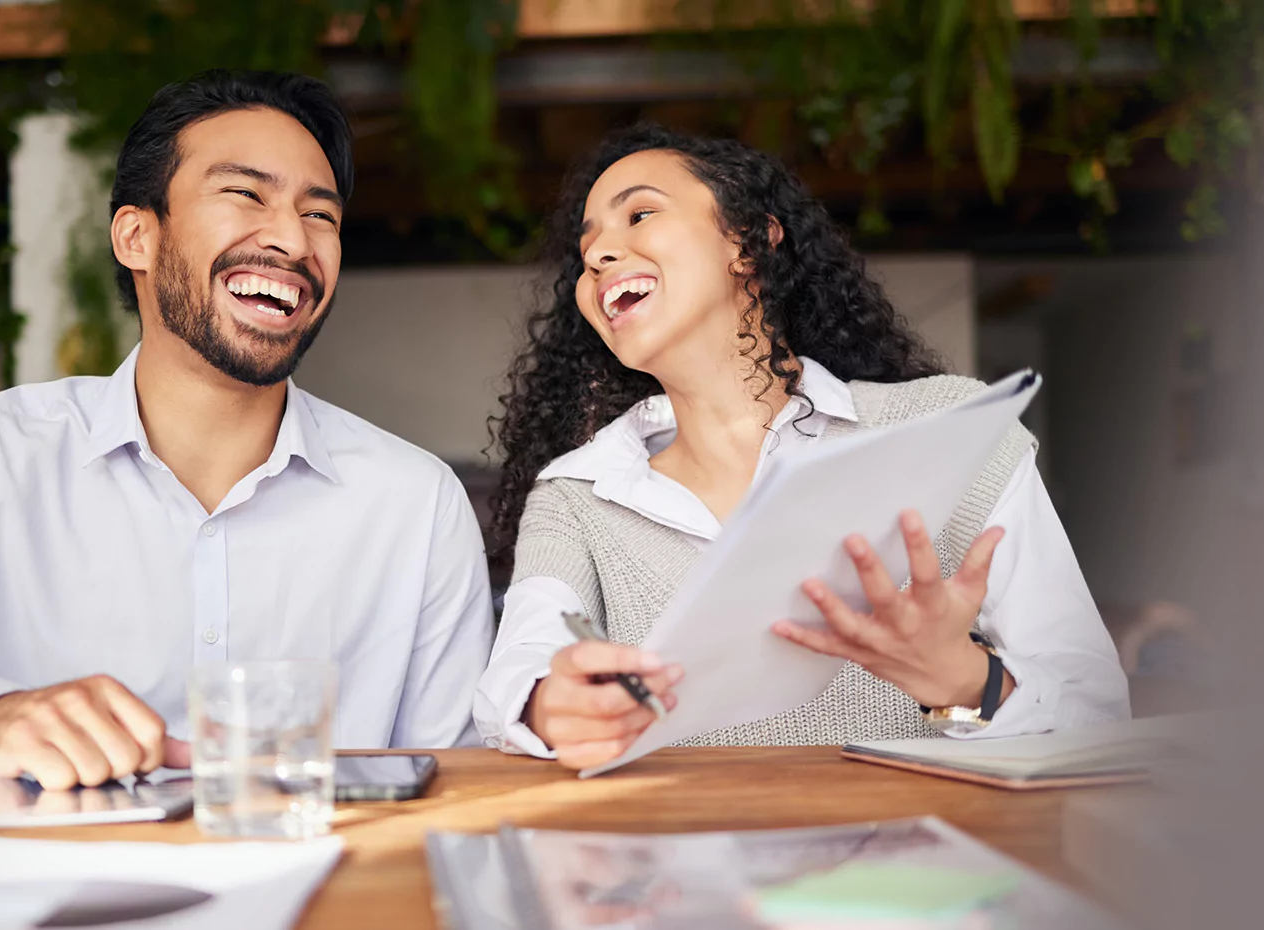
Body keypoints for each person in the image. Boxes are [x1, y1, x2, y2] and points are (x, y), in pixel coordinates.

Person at [0, 71, 496, 789]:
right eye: (245, 194)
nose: (293, 242)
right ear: (136, 237)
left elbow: (459, 785)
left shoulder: (416, 504)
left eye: (320, 214)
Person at [474, 124, 1129, 770]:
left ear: (750, 242)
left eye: (639, 214)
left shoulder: (951, 428)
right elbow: (519, 673)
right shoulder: (577, 496)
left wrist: (964, 682)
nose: (598, 257)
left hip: (916, 865)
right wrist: (548, 706)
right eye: (586, 248)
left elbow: (1095, 707)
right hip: (685, 869)